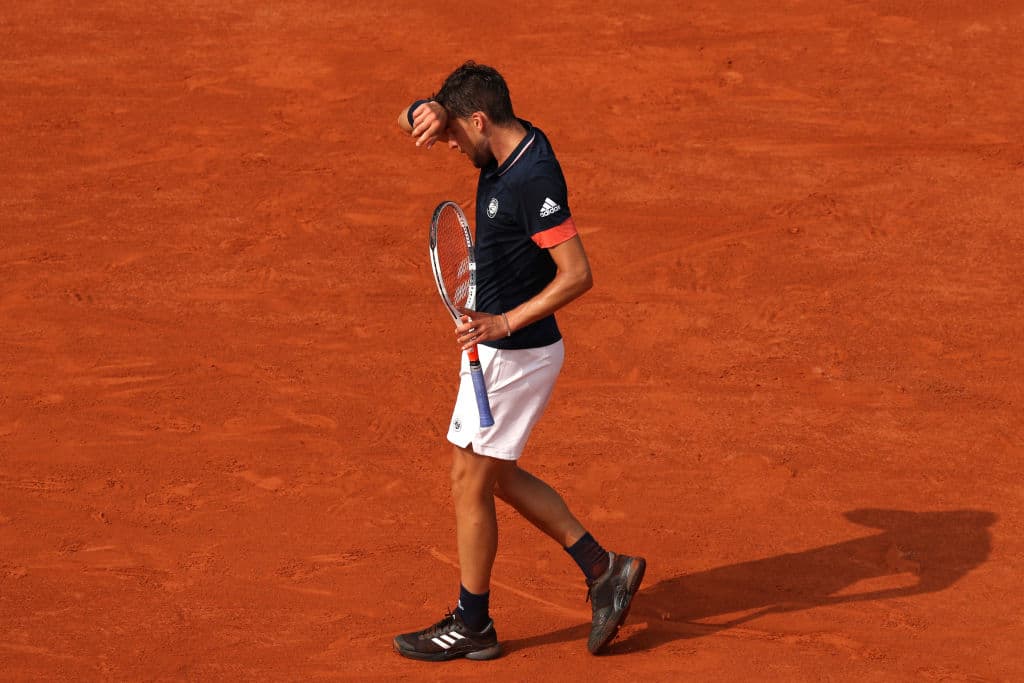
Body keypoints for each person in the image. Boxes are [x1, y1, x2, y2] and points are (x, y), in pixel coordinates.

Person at [392, 61, 645, 661]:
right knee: (495, 476)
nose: (450, 144)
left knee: (467, 480)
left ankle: (473, 623)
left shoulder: (533, 177)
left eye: (455, 133)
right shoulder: (505, 139)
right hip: (491, 344)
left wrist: (503, 321)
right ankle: (603, 567)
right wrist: (421, 110)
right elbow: (401, 120)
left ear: (480, 120)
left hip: (515, 351)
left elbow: (578, 274)